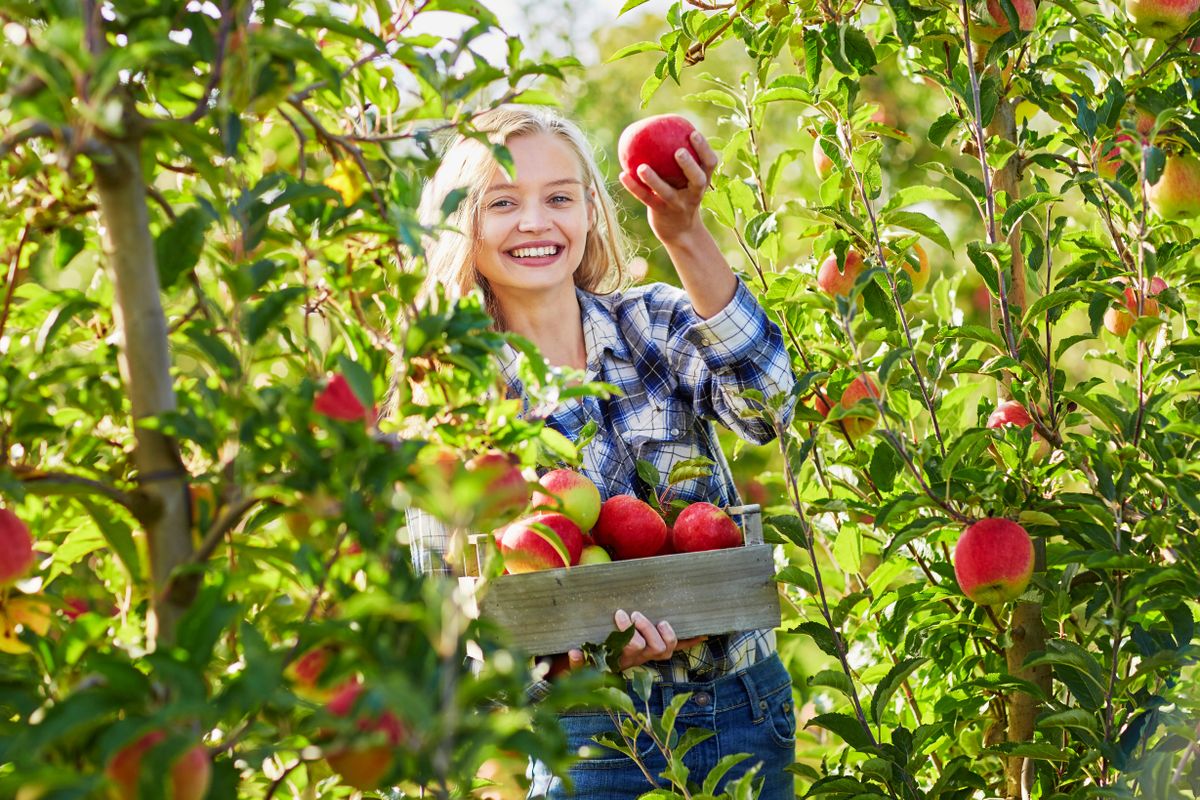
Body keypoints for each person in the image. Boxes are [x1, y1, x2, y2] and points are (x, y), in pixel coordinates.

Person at [404, 105, 797, 799]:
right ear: (465, 225)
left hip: (741, 709)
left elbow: (767, 407)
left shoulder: (655, 322)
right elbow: (441, 613)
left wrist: (685, 234)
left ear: (591, 211)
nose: (535, 222)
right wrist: (564, 665)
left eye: (558, 198)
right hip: (592, 745)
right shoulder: (453, 395)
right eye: (503, 202)